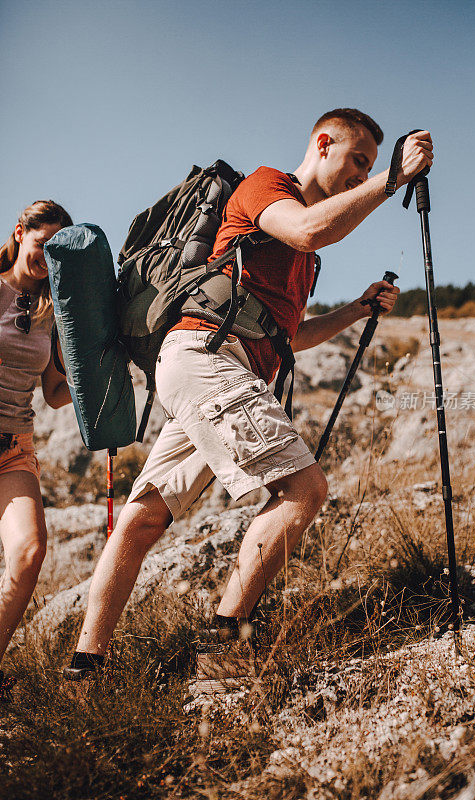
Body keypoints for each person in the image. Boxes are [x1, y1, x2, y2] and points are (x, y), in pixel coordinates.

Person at [64, 109, 433, 683]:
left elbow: (294, 336)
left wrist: (360, 308)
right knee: (304, 490)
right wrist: (394, 179)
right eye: (357, 161)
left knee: (140, 519)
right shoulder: (265, 186)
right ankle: (226, 642)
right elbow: (310, 228)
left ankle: (85, 667)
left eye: (369, 167)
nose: (362, 175)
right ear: (322, 143)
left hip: (208, 367)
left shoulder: (305, 261)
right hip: (206, 357)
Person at [0, 200, 73, 697]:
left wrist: (103, 369)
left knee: (29, 553)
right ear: (21, 232)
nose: (49, 258)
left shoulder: (55, 309)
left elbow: (53, 392)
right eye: (44, 245)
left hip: (14, 449)